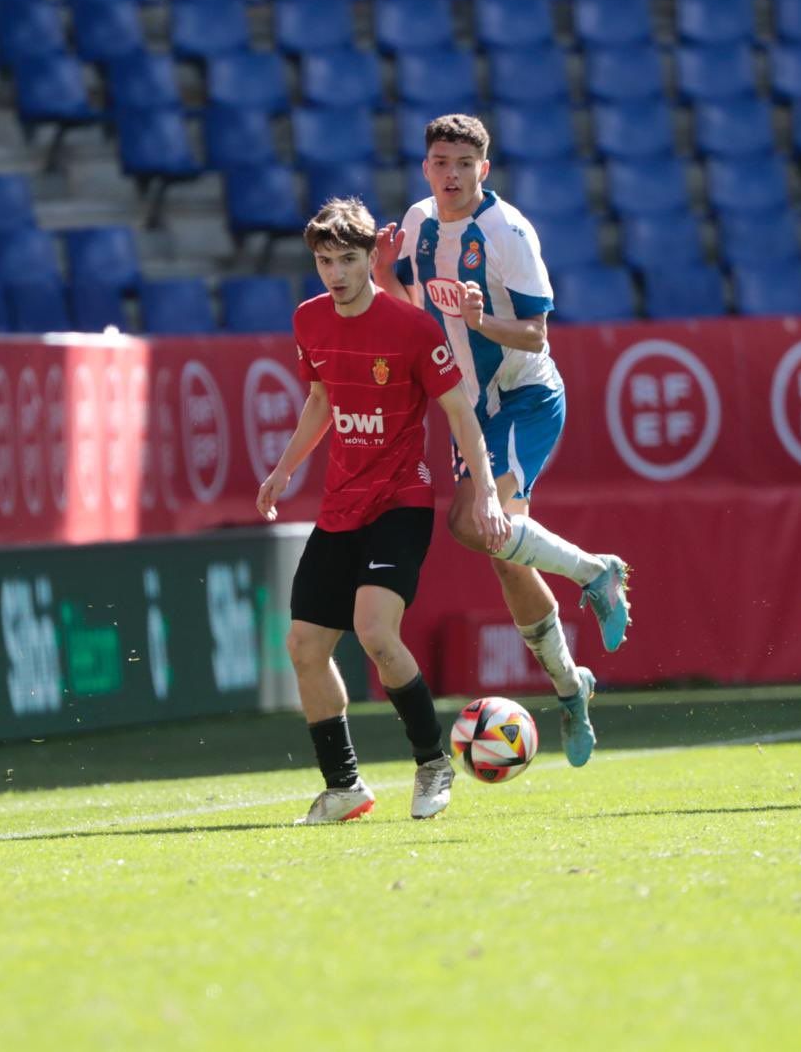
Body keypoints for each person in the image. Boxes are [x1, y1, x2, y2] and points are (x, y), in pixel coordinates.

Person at [369, 113, 630, 769]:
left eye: (463, 163)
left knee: (474, 521)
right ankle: (572, 687)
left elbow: (539, 335)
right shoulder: (418, 222)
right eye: (439, 162)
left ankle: (595, 571)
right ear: (425, 167)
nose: (449, 174)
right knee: (504, 551)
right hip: (471, 408)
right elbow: (412, 308)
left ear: (483, 169)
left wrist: (489, 325)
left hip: (525, 395)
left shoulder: (506, 231)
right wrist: (381, 277)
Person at [258, 197, 512, 825]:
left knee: (374, 632)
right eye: (324, 261)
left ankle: (432, 763)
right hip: (340, 504)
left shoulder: (412, 328)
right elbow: (321, 398)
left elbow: (460, 413)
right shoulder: (309, 320)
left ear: (373, 257)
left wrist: (481, 490)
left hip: (400, 500)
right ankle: (344, 787)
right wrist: (286, 467)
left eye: (348, 259)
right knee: (304, 646)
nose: (336, 273)